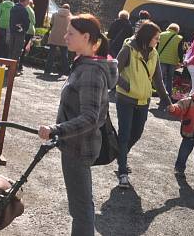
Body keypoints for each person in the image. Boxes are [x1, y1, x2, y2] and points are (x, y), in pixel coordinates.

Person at [37, 14, 117, 236]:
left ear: (86, 37)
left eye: (70, 33)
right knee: (80, 206)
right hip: (76, 144)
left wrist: (56, 129)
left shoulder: (91, 70)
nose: (65, 36)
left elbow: (91, 117)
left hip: (79, 147)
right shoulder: (85, 63)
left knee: (81, 209)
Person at [115, 21, 171, 189]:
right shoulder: (128, 49)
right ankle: (122, 171)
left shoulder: (154, 54)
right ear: (147, 37)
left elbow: (158, 81)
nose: (158, 41)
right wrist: (127, 86)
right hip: (126, 99)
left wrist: (167, 102)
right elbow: (113, 71)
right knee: (124, 134)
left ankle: (121, 154)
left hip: (144, 101)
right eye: (156, 38)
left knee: (137, 133)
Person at [157, 23, 184, 110]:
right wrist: (181, 61)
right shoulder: (179, 38)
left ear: (168, 28)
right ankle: (167, 100)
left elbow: (156, 46)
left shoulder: (161, 35)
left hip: (161, 60)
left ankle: (161, 99)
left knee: (160, 80)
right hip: (172, 61)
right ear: (177, 30)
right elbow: (180, 51)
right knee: (169, 80)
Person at [46, 3, 71, 77]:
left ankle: (48, 70)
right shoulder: (70, 18)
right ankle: (66, 71)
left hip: (54, 36)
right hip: (64, 38)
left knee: (51, 54)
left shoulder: (54, 14)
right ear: (69, 9)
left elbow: (51, 24)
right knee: (64, 55)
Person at [9, 0, 31, 74]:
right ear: (24, 1)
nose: (28, 4)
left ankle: (9, 66)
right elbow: (27, 22)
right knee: (17, 51)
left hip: (12, 31)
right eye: (27, 2)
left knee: (11, 49)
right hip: (20, 32)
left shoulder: (13, 8)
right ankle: (14, 69)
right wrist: (24, 28)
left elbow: (11, 20)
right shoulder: (23, 10)